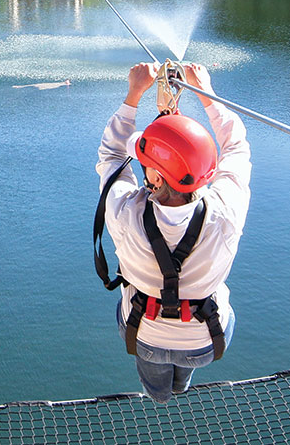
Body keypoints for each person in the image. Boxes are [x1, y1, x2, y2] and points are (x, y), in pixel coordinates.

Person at [97, 62, 251, 402]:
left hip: (145, 336)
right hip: (208, 340)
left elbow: (111, 153)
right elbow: (236, 148)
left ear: (155, 177)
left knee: (157, 387)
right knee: (187, 359)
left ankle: (160, 397)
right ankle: (181, 386)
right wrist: (206, 94)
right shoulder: (226, 211)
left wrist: (134, 93)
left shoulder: (125, 213)